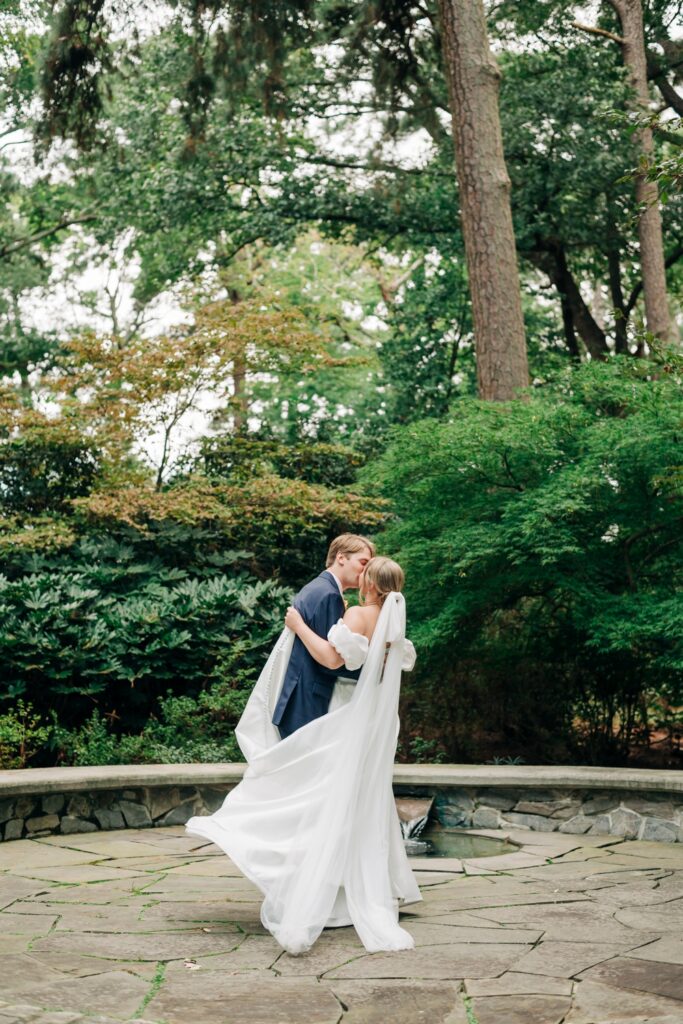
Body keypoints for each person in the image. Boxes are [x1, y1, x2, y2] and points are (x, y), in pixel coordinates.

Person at [186, 553, 421, 956]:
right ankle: (357, 891)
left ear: (369, 584)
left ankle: (295, 874)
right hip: (376, 725)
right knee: (358, 801)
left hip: (347, 715)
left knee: (307, 788)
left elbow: (332, 658)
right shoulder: (393, 625)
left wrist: (297, 626)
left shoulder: (360, 617)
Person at [273, 533, 375, 739]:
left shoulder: (319, 587)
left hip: (300, 696)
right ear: (341, 557)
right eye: (363, 562)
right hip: (308, 701)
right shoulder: (329, 595)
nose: (366, 571)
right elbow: (329, 659)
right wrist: (374, 669)